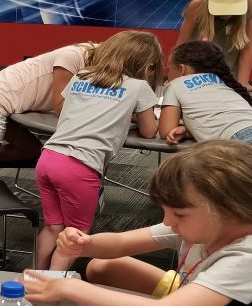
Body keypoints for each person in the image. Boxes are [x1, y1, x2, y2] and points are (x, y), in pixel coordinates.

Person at [24, 140, 252, 306]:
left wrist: (72, 288)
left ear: (232, 210)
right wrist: (83, 243)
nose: (168, 222)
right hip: (200, 294)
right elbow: (120, 244)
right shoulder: (209, 225)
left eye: (178, 214)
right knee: (102, 264)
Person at [35, 30, 163, 270]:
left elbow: (77, 110)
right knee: (76, 234)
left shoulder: (81, 76)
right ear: (147, 65)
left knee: (53, 227)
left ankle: (35, 276)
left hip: (48, 157)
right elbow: (149, 131)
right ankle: (50, 288)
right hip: (79, 167)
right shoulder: (139, 87)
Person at [0, 41, 95, 181]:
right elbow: (61, 108)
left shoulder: (93, 60)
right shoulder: (74, 56)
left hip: (4, 104)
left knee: (31, 151)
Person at [159, 40, 252, 149]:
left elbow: (166, 131)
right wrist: (188, 129)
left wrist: (185, 128)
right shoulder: (223, 81)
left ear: (182, 69)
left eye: (169, 69)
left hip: (244, 137)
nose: (168, 74)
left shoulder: (175, 84)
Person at [176, 0, 252, 92]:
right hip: (196, 77)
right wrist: (176, 78)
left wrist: (243, 84)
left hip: (229, 77)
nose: (227, 14)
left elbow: (248, 47)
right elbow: (181, 48)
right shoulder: (197, 6)